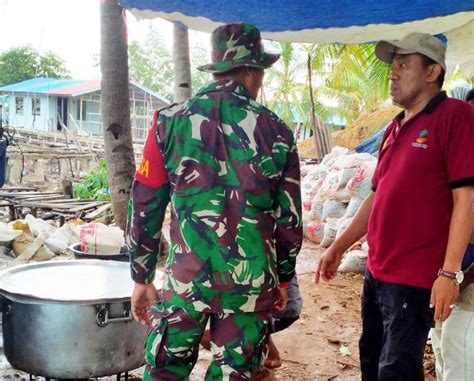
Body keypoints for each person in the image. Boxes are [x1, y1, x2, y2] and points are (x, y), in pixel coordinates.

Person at [126, 22, 302, 381]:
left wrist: (141, 277)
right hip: (249, 286)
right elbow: (289, 221)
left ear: (218, 68)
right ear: (254, 71)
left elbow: (145, 203)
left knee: (165, 371)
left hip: (185, 283)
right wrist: (282, 278)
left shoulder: (169, 122)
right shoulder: (278, 132)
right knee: (235, 374)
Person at [315, 32, 474, 380]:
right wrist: (338, 247)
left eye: (404, 64)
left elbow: (466, 198)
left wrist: (449, 273)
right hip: (377, 273)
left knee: (396, 372)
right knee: (371, 362)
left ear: (432, 72)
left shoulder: (455, 116)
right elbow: (377, 196)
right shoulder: (394, 127)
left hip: (414, 278)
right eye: (393, 65)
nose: (393, 73)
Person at [431, 89, 474, 381]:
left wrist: (457, 277)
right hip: (451, 274)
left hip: (465, 284)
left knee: (458, 347)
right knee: (442, 345)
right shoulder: (457, 163)